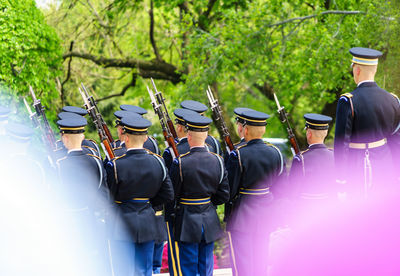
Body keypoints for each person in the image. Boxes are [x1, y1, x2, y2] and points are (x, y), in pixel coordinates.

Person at [105, 115, 174, 276]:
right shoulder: (158, 162)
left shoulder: (115, 165)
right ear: (144, 138)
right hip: (148, 222)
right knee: (144, 271)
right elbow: (168, 194)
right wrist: (147, 203)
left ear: (126, 138)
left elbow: (109, 197)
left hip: (122, 224)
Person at [334, 47, 400, 198]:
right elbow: (397, 140)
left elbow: (341, 144)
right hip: (386, 165)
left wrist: (341, 182)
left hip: (357, 167)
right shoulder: (393, 100)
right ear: (375, 70)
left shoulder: (348, 101)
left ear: (356, 70)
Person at [169, 112, 229, 276]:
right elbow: (224, 194)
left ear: (188, 136)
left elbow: (173, 194)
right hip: (209, 218)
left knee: (188, 267)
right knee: (206, 265)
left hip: (187, 219)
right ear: (206, 136)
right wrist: (208, 203)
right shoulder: (217, 160)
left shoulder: (180, 162)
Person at [226, 108, 285, 276]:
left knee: (243, 265)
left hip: (242, 214)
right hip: (266, 213)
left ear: (244, 129)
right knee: (261, 263)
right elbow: (281, 189)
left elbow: (230, 191)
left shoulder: (237, 154)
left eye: (238, 124)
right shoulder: (275, 152)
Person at [55, 115, 110, 275]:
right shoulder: (95, 161)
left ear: (64, 138)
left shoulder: (59, 164)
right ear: (83, 137)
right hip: (91, 218)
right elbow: (103, 192)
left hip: (68, 222)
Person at [289, 113, 335, 201]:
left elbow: (292, 191)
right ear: (325, 134)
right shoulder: (334, 155)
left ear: (309, 134)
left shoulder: (301, 159)